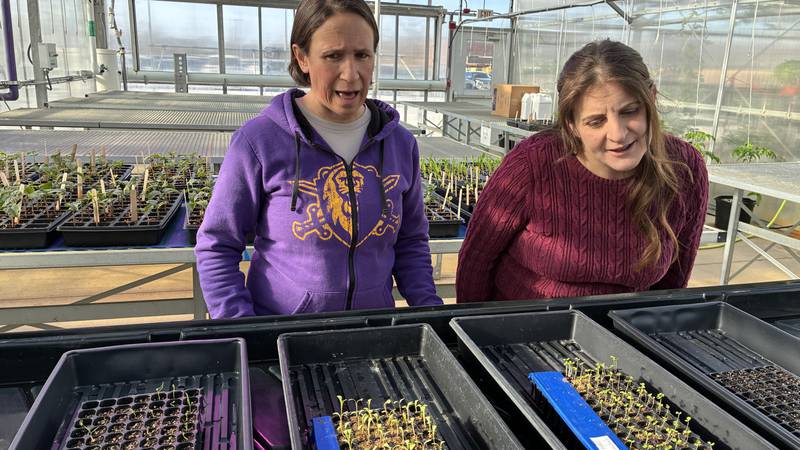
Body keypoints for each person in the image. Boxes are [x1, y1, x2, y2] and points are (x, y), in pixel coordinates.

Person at [196, 0, 442, 318]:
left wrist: (432, 313)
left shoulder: (399, 144)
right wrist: (242, 328)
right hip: (282, 334)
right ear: (302, 57)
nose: (351, 74)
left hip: (373, 331)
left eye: (362, 55)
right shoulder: (259, 142)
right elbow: (218, 244)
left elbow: (410, 242)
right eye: (333, 56)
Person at [456, 39, 709, 303]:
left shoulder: (684, 168)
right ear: (571, 124)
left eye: (630, 111)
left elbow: (673, 282)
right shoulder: (533, 164)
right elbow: (477, 261)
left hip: (621, 329)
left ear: (651, 99)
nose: (618, 134)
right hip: (524, 328)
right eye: (596, 121)